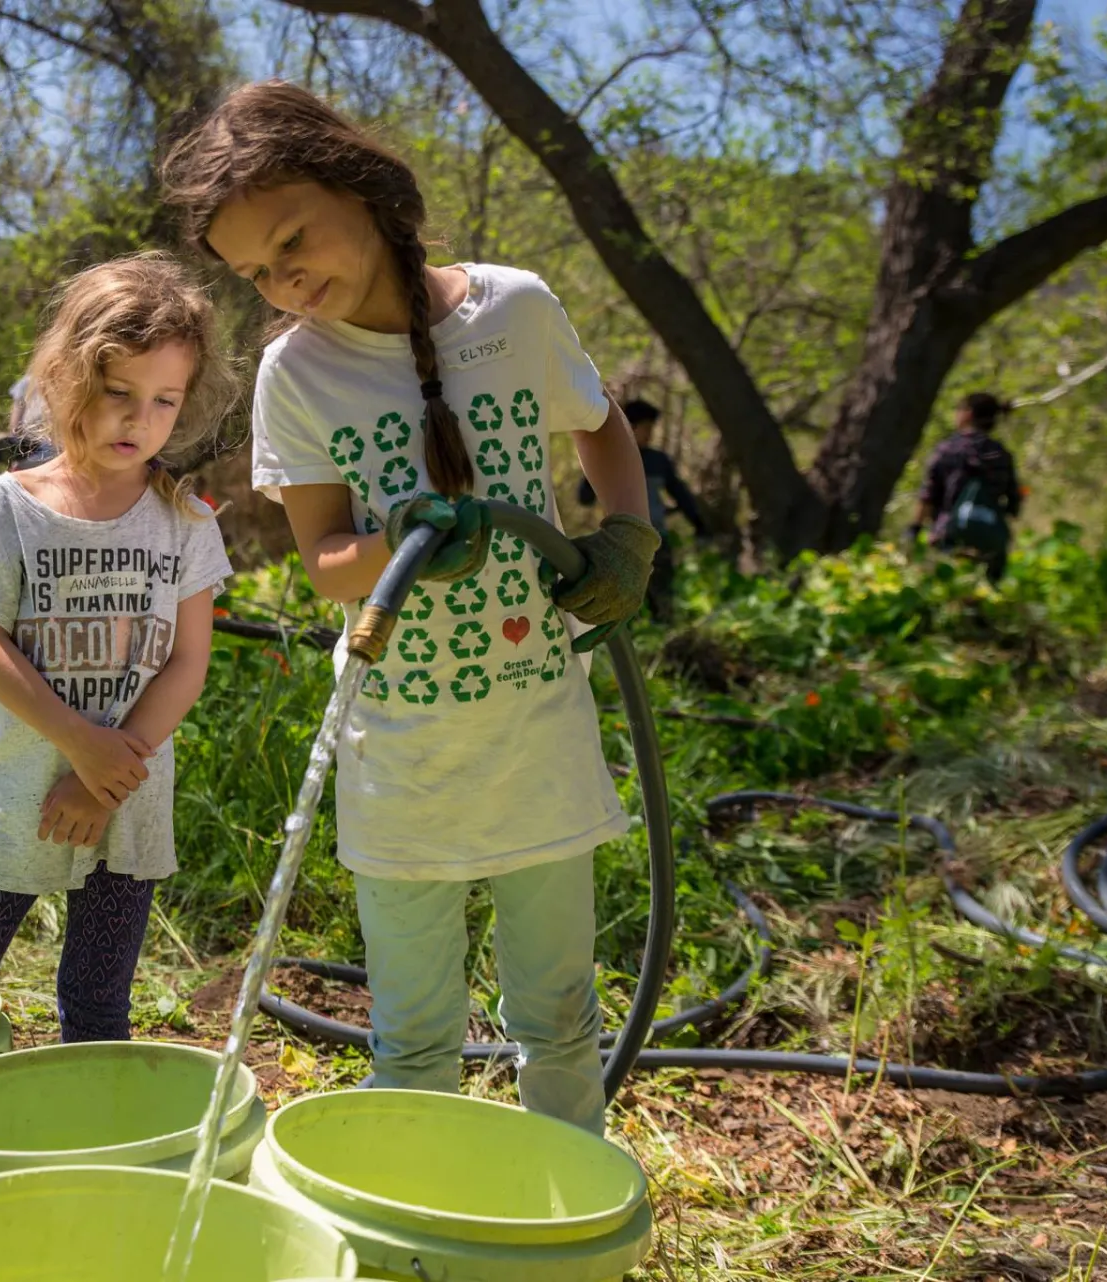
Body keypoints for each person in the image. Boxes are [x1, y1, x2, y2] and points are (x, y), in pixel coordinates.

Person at [162, 82, 655, 1134]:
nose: (287, 278)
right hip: (403, 760)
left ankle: (555, 1222)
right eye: (259, 270)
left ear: (363, 186)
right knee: (415, 1035)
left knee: (560, 1018)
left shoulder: (513, 308)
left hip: (538, 739)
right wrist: (406, 548)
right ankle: (422, 1223)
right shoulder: (297, 373)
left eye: (294, 238)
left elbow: (601, 422)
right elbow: (329, 565)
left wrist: (627, 533)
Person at [0, 252, 236, 1042]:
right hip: (17, 793)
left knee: (98, 1007)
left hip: (127, 805)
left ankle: (93, 1147)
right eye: (119, 393)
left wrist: (102, 779)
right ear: (67, 381)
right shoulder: (12, 507)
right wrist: (76, 744)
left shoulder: (186, 519)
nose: (140, 419)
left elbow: (187, 663)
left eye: (165, 401)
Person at [578, 399, 705, 622]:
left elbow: (680, 493)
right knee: (624, 601)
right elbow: (584, 498)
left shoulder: (659, 461)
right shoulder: (610, 456)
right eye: (646, 428)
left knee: (663, 596)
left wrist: (698, 523)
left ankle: (662, 639)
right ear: (631, 426)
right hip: (620, 541)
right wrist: (599, 461)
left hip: (657, 539)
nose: (650, 434)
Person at [915, 391, 1022, 584]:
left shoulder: (948, 449)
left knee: (945, 592)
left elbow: (928, 495)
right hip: (989, 538)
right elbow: (1014, 504)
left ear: (968, 413)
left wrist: (915, 528)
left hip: (948, 535)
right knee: (986, 594)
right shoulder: (1001, 454)